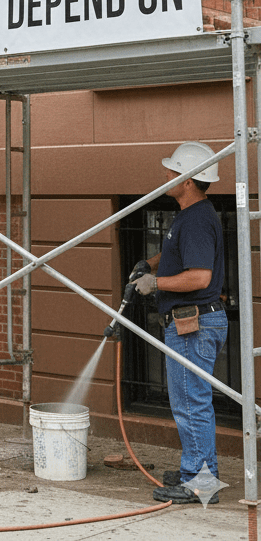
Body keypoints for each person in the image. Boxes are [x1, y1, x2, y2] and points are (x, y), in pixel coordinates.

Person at [130, 141, 227, 505]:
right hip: (195, 323)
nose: (167, 175)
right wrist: (151, 264)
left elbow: (200, 277)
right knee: (191, 400)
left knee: (190, 403)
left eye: (173, 171)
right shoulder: (190, 214)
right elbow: (179, 253)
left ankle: (200, 483)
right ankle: (198, 469)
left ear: (188, 180)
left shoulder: (198, 218)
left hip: (194, 324)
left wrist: (155, 284)